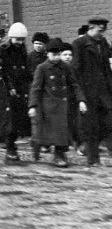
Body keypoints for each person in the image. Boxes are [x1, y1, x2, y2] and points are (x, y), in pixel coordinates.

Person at [28, 39, 87, 168]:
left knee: (62, 132)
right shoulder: (42, 68)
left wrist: (81, 100)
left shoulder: (65, 67)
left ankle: (59, 155)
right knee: (43, 133)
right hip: (48, 106)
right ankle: (38, 148)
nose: (56, 57)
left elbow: (74, 84)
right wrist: (32, 106)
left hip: (63, 105)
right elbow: (36, 88)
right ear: (47, 54)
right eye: (53, 54)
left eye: (58, 54)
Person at [71, 17, 112, 167]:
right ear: (91, 28)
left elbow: (107, 67)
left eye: (104, 31)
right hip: (89, 93)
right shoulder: (79, 44)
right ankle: (93, 159)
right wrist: (80, 97)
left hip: (104, 92)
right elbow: (75, 71)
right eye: (100, 30)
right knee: (92, 126)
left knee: (109, 122)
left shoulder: (103, 43)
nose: (102, 33)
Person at [0, 22, 30, 161]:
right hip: (8, 89)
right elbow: (3, 71)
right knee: (10, 119)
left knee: (18, 119)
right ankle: (10, 147)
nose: (20, 42)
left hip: (20, 87)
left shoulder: (22, 49)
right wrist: (9, 86)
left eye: (22, 39)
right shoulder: (3, 50)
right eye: (17, 39)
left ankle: (11, 145)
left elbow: (25, 69)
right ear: (11, 37)